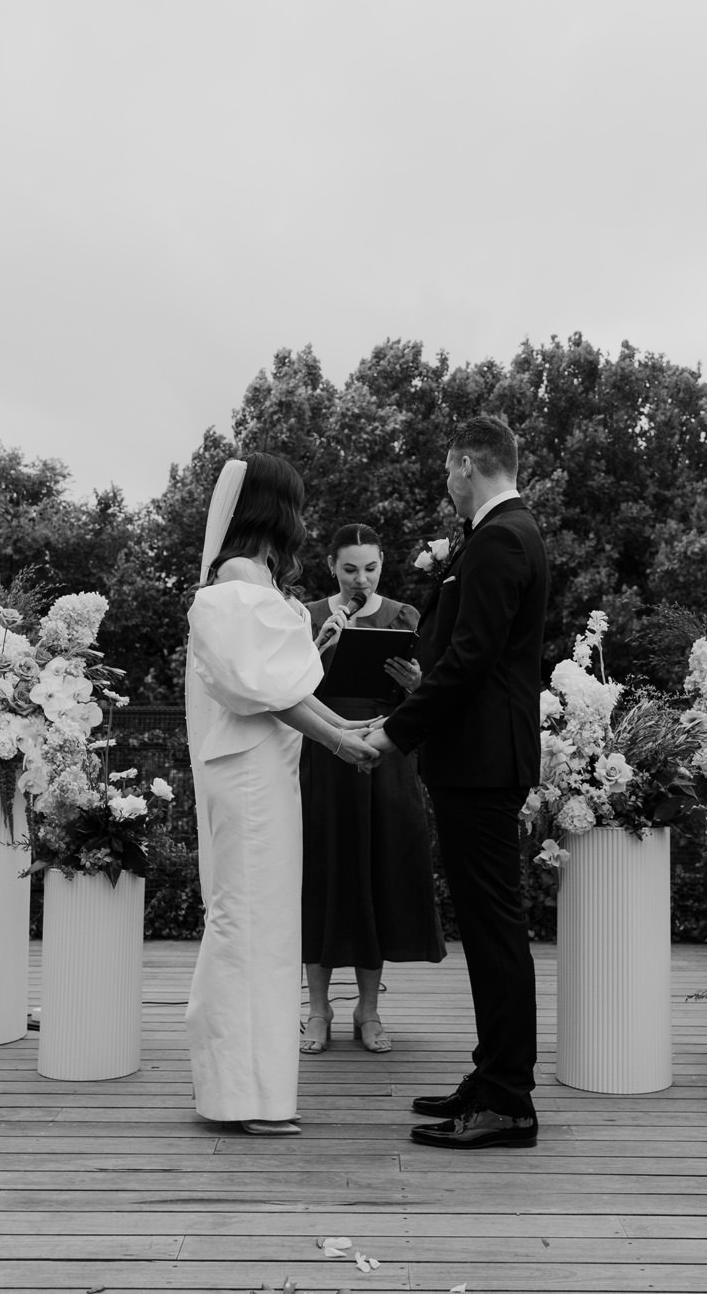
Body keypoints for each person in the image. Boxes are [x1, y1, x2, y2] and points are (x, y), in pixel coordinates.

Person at [366, 415, 550, 1151]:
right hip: (476, 756)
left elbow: (472, 658)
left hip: (481, 762)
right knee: (484, 925)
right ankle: (492, 1075)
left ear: (469, 464)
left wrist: (396, 730)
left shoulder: (502, 537)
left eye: (448, 471)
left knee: (495, 929)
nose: (447, 484)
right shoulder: (500, 533)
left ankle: (508, 1099)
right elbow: (475, 656)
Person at [184, 454, 382, 1135]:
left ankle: (254, 1091)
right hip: (247, 772)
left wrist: (341, 726)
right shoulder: (236, 581)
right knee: (247, 923)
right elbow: (262, 691)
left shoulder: (258, 579)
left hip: (268, 768)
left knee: (267, 925)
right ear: (276, 508)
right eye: (297, 503)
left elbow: (284, 686)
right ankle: (243, 1095)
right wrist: (338, 741)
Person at [299, 522, 444, 1056]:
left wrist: (416, 683)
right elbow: (283, 688)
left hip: (385, 755)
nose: (361, 578)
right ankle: (318, 1010)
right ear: (331, 567)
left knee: (376, 875)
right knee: (321, 875)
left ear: (382, 564)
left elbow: (429, 695)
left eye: (370, 568)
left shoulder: (405, 616)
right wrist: (319, 646)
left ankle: (368, 1009)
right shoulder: (308, 616)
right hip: (323, 754)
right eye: (349, 569)